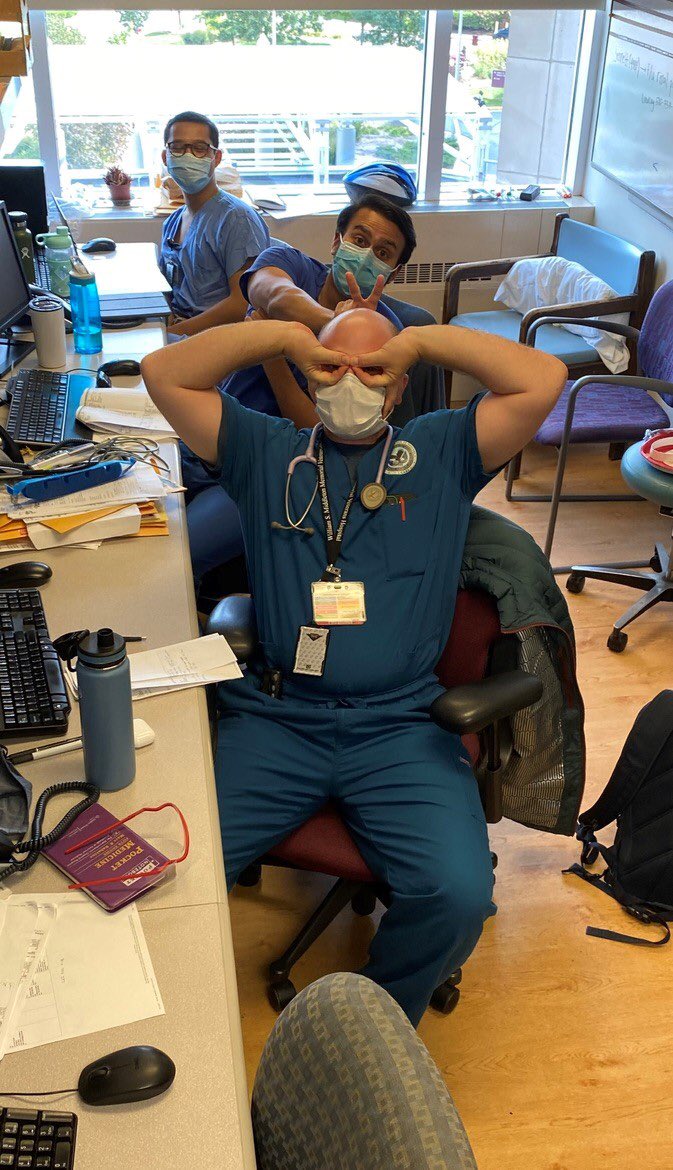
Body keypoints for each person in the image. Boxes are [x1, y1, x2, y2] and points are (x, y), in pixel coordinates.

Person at [142, 308, 567, 1026]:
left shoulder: (442, 452)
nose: (351, 384)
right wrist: (282, 336)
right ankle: (166, 1022)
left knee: (458, 896)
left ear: (400, 388)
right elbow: (164, 373)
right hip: (278, 717)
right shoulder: (263, 447)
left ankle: (365, 1025)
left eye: (373, 372)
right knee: (160, 876)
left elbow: (542, 378)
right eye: (331, 370)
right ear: (307, 377)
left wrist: (420, 343)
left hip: (400, 726)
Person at [182, 194, 441, 588]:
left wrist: (274, 349)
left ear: (395, 271)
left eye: (383, 252)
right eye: (359, 239)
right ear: (337, 242)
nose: (367, 254)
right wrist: (330, 326)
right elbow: (270, 292)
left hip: (273, 470)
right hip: (206, 431)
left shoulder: (381, 338)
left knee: (178, 556)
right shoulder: (290, 263)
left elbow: (321, 431)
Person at [158, 110, 270, 337]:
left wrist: (171, 333)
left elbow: (243, 304)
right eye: (178, 147)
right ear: (165, 157)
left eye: (199, 149)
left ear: (216, 158)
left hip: (219, 340)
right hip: (180, 329)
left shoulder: (236, 219)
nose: (188, 156)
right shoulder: (173, 222)